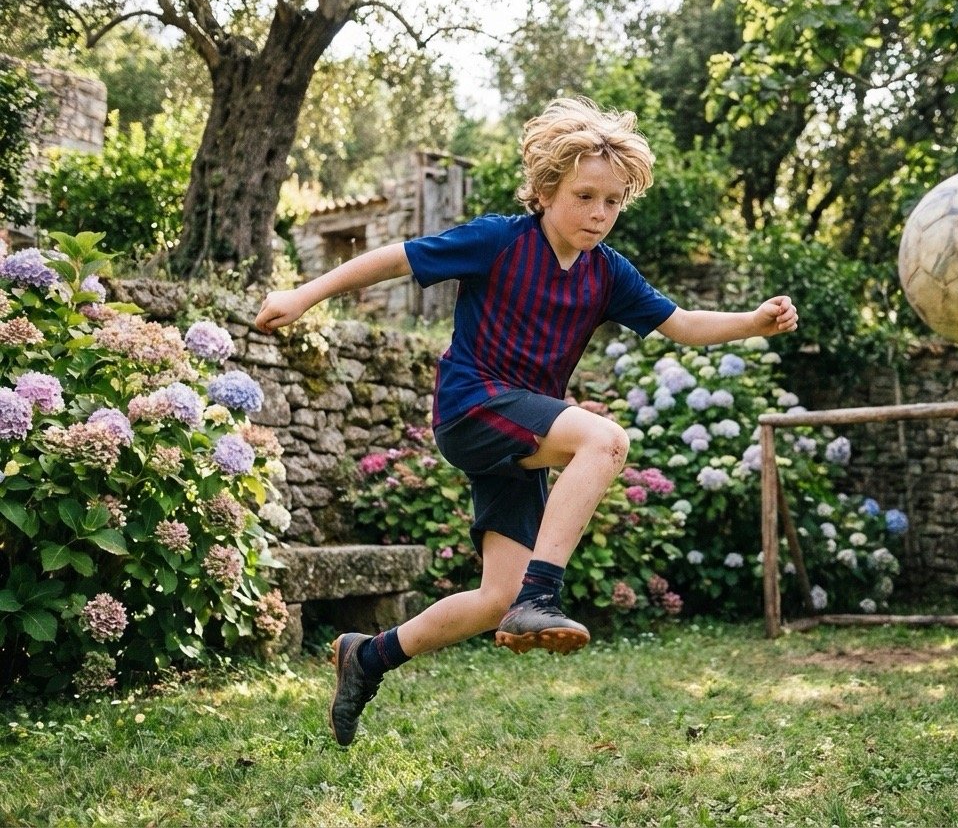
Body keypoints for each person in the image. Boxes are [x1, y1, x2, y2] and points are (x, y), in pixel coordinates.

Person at [254, 97, 797, 746]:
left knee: (494, 599)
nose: (600, 214)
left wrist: (752, 323)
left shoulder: (608, 274)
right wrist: (303, 294)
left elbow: (681, 324)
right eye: (585, 196)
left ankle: (366, 657)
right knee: (604, 439)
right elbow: (395, 258)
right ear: (545, 191)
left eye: (613, 202)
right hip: (473, 407)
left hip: (521, 435)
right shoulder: (500, 240)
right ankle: (545, 593)